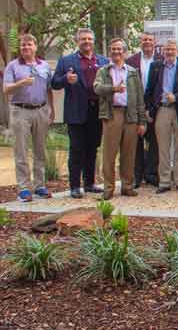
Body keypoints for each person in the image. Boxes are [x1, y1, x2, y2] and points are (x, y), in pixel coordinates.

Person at [52, 28, 109, 198]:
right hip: (76, 112)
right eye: (83, 39)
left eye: (90, 39)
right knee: (77, 149)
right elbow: (54, 83)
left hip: (97, 111)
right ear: (77, 41)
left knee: (92, 148)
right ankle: (75, 186)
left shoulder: (103, 60)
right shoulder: (66, 61)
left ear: (94, 41)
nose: (87, 42)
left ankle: (90, 183)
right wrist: (65, 80)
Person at [93, 39, 146, 200]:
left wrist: (142, 121)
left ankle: (127, 186)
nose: (116, 52)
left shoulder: (132, 72)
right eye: (113, 49)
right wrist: (113, 89)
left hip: (130, 115)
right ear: (110, 52)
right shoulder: (103, 71)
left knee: (129, 153)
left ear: (125, 52)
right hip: (112, 115)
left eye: (119, 49)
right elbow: (96, 88)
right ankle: (108, 188)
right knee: (109, 153)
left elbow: (139, 97)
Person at [4, 34, 54, 202]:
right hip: (20, 111)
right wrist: (21, 83)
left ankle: (40, 185)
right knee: (21, 150)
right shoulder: (13, 66)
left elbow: (49, 88)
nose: (25, 47)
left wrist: (51, 109)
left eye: (29, 44)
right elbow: (6, 89)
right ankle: (24, 188)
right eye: (23, 45)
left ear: (35, 47)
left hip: (41, 110)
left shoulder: (44, 66)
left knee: (40, 150)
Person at [146, 39, 178, 194]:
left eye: (172, 49)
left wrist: (176, 97)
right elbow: (149, 90)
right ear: (162, 51)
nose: (169, 52)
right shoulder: (155, 67)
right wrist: (148, 109)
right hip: (162, 110)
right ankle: (164, 181)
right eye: (167, 50)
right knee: (163, 148)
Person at [126, 31, 160, 188]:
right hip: (135, 107)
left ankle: (152, 174)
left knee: (154, 141)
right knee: (136, 142)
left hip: (155, 107)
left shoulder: (161, 60)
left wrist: (151, 108)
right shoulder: (131, 61)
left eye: (150, 40)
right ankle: (137, 176)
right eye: (144, 39)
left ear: (155, 42)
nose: (147, 42)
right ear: (140, 42)